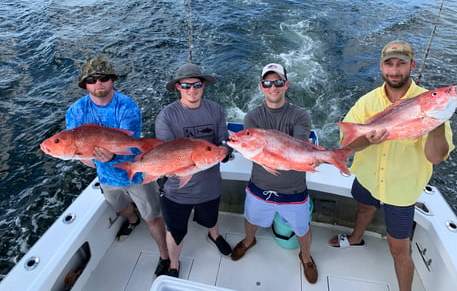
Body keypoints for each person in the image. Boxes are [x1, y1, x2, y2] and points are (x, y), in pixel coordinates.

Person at [328, 40, 455, 291]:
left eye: (401, 64)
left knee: (399, 249)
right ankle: (355, 238)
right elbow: (348, 143)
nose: (395, 71)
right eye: (389, 64)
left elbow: (435, 157)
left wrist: (437, 122)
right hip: (368, 177)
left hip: (402, 190)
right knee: (364, 207)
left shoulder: (430, 102)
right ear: (381, 67)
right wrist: (367, 138)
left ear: (412, 65)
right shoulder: (368, 102)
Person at [66, 56, 170, 277]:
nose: (98, 83)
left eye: (103, 78)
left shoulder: (127, 106)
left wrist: (108, 156)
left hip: (136, 175)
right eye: (92, 80)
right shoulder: (75, 112)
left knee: (152, 217)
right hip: (106, 178)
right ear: (85, 84)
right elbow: (74, 148)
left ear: (112, 80)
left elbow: (132, 147)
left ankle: (165, 256)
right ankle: (132, 220)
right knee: (121, 208)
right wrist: (86, 157)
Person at [230, 63, 318, 284]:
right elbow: (254, 150)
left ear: (286, 84)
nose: (273, 87)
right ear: (261, 87)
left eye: (278, 82)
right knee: (251, 220)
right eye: (267, 83)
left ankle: (306, 257)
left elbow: (299, 147)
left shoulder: (300, 115)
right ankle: (249, 241)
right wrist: (264, 148)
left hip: (294, 188)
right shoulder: (252, 117)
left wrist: (311, 157)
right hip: (260, 185)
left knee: (302, 228)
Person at [155, 63, 233, 278]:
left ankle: (214, 235)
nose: (192, 90)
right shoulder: (167, 116)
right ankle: (173, 263)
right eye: (186, 86)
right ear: (178, 87)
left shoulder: (215, 109)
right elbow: (166, 151)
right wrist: (172, 167)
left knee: (211, 218)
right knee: (175, 231)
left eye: (197, 85)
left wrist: (225, 150)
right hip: (175, 191)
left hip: (210, 186)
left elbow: (224, 140)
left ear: (204, 85)